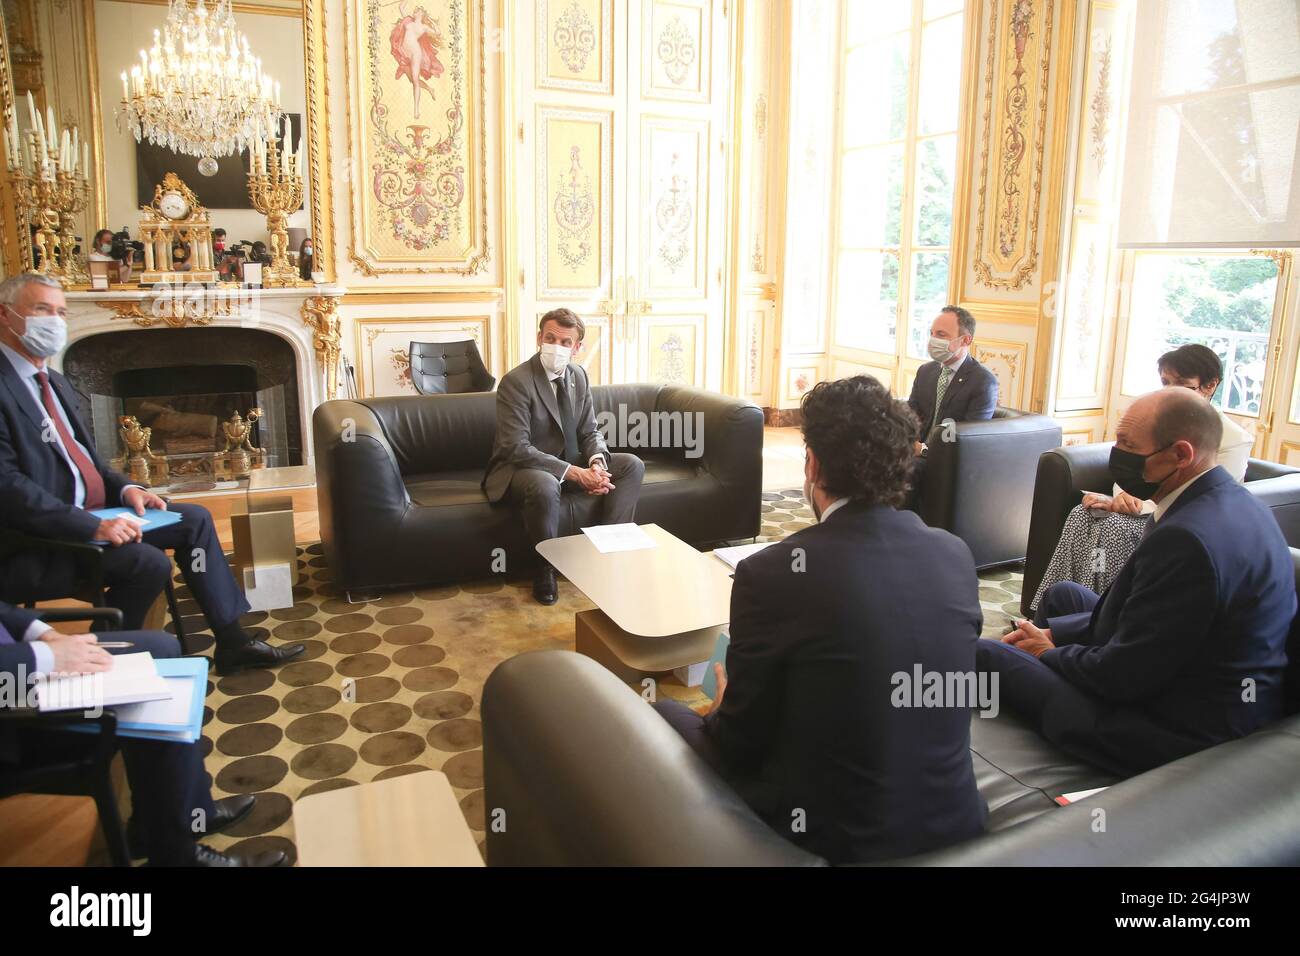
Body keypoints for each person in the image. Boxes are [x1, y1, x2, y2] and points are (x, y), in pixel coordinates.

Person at [652, 376, 988, 864]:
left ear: (811, 464)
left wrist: (723, 707)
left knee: (667, 714)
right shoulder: (955, 554)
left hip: (836, 839)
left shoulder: (769, 574)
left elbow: (740, 743)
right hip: (957, 821)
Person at [979, 387, 1294, 776]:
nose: (1117, 452)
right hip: (1180, 666)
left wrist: (1048, 653)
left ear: (1180, 454)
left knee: (989, 654)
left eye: (1128, 444)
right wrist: (1052, 634)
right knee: (1064, 597)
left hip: (1179, 727)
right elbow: (1146, 622)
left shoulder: (1189, 541)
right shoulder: (1227, 500)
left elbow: (1122, 676)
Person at [0, 273, 304, 675]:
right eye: (42, 310)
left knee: (193, 518)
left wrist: (127, 487)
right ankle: (103, 658)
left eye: (60, 311)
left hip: (103, 515)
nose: (55, 321)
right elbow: (8, 488)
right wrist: (89, 525)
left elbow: (87, 461)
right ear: (6, 315)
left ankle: (233, 642)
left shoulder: (52, 381)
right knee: (147, 563)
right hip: (41, 540)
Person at [0, 599, 285, 866]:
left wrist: (43, 633)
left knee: (161, 648)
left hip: (19, 662)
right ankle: (174, 853)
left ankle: (182, 816)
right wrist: (44, 657)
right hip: (12, 709)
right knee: (152, 693)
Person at [1029, 344, 1254, 611]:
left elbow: (1202, 492)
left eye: (1181, 384)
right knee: (1083, 514)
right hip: (1137, 506)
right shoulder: (1159, 421)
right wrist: (1120, 496)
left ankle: (1099, 613)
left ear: (1209, 386)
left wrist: (1135, 506)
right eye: (1165, 383)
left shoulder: (1233, 439)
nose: (1170, 391)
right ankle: (1050, 608)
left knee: (1112, 527)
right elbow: (1132, 463)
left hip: (1175, 518)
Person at [482, 308, 644, 605]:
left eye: (565, 342)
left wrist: (596, 463)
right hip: (522, 469)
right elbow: (515, 446)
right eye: (550, 338)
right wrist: (574, 472)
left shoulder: (578, 376)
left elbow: (590, 431)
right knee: (545, 483)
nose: (556, 347)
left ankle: (607, 552)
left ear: (577, 348)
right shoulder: (517, 381)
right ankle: (545, 568)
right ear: (539, 338)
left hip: (571, 463)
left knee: (631, 466)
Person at [905, 305, 999, 509]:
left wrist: (924, 450)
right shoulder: (926, 372)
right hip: (915, 450)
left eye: (941, 334)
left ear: (965, 340)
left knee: (904, 470)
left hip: (947, 461)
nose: (933, 340)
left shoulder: (983, 382)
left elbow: (971, 440)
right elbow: (909, 414)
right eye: (932, 334)